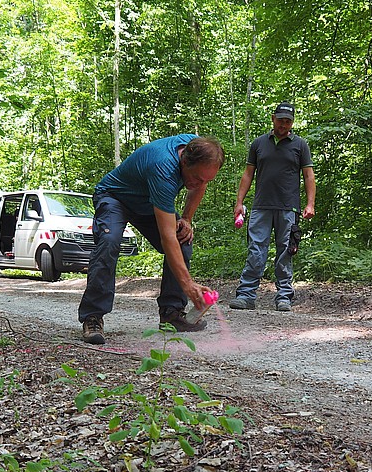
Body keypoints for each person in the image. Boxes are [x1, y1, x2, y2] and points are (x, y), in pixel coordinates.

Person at [78, 134, 225, 345]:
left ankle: (171, 314)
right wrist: (188, 284)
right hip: (115, 197)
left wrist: (186, 218)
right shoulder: (163, 168)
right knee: (109, 242)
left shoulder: (200, 151)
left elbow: (199, 186)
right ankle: (93, 316)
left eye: (206, 180)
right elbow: (167, 238)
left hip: (148, 203)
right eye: (196, 178)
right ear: (184, 161)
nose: (199, 184)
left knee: (183, 238)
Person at [230, 102, 315, 312]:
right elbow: (248, 173)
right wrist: (239, 202)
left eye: (288, 121)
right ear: (273, 119)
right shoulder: (259, 144)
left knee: (286, 251)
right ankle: (246, 295)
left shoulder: (300, 145)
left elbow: (308, 175)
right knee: (256, 250)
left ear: (292, 123)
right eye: (280, 120)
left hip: (289, 208)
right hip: (261, 207)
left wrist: (310, 203)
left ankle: (284, 296)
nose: (284, 125)